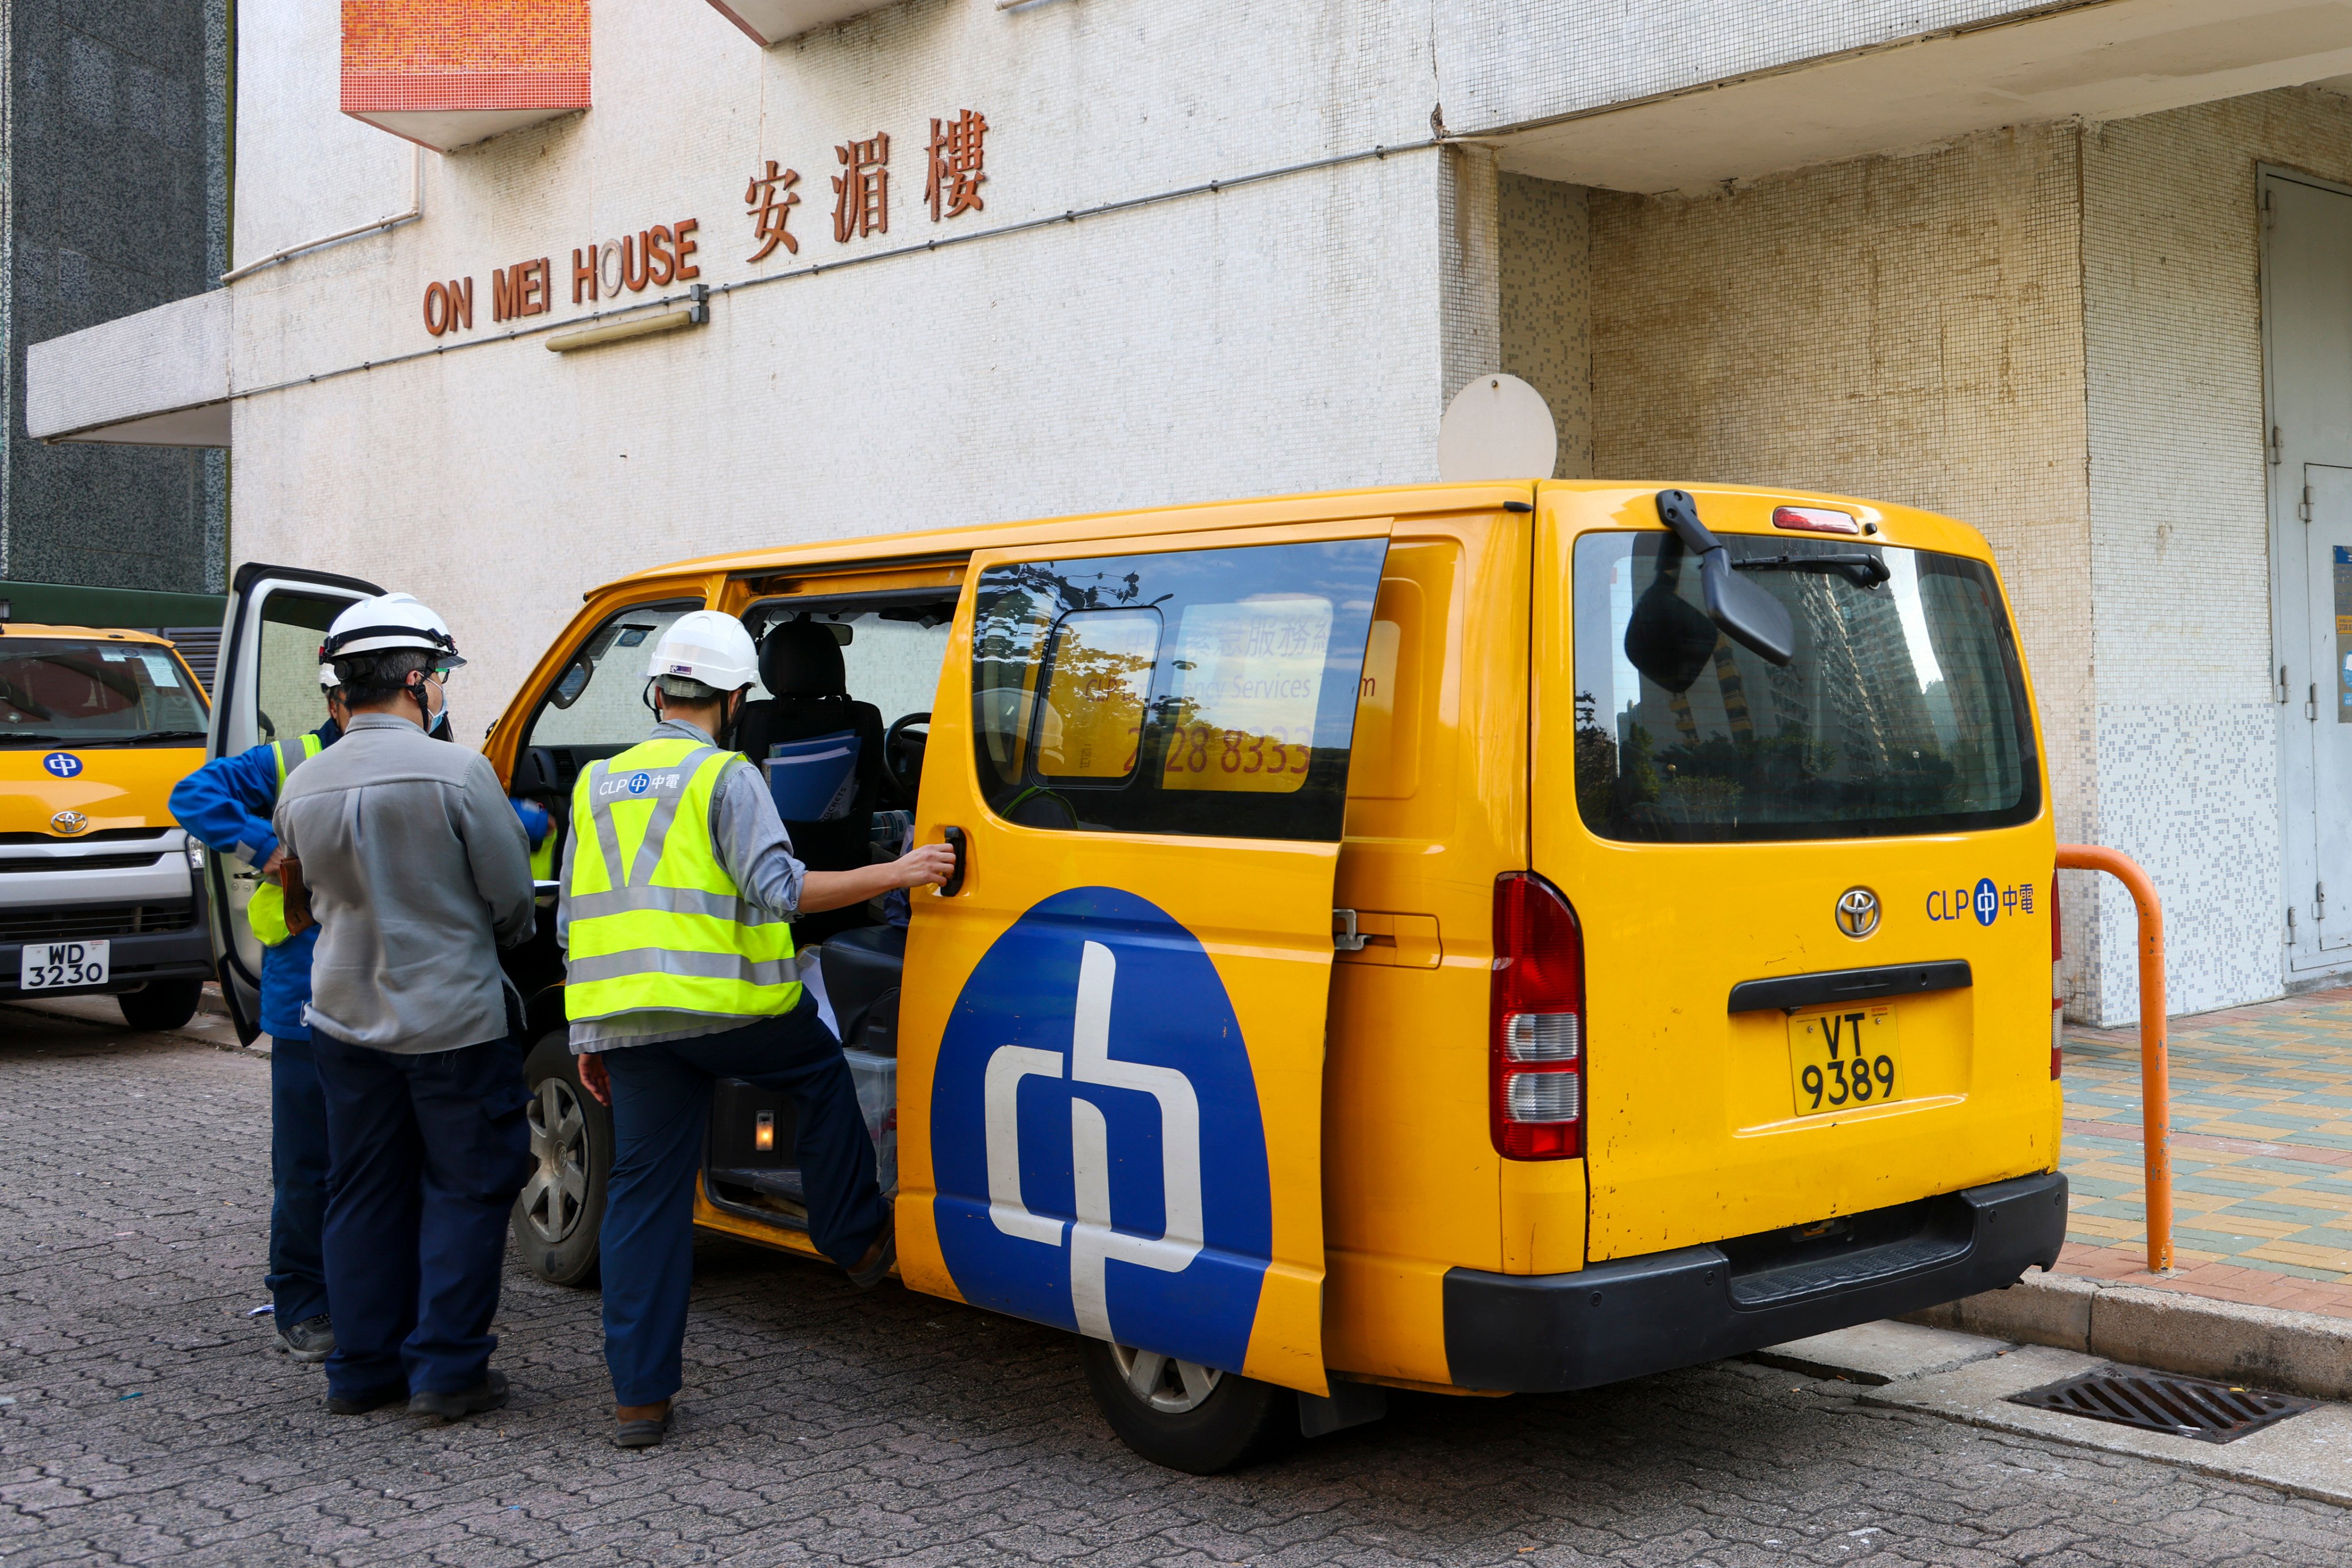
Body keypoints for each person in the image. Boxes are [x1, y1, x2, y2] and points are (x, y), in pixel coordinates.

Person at [559, 610, 953, 1449]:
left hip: (629, 1027)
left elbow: (573, 927)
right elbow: (782, 889)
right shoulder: (726, 777)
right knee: (815, 1063)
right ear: (735, 698)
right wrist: (903, 868)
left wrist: (589, 1034)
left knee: (642, 1195)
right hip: (728, 1013)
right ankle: (852, 1237)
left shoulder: (595, 783)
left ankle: (639, 1400)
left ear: (656, 690)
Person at [274, 593, 538, 1422]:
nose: (446, 688)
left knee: (360, 1190)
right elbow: (510, 901)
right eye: (443, 674)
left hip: (344, 1017)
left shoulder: (303, 782)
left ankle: (360, 1371)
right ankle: (446, 1372)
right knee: (465, 1186)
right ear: (417, 679)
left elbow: (306, 898)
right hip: (453, 1018)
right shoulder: (458, 773)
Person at [169, 666, 351, 1363]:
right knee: (309, 1159)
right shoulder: (291, 759)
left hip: (383, 984)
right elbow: (194, 794)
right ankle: (302, 1300)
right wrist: (269, 849)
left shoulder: (429, 747)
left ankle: (368, 1290)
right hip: (305, 986)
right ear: (337, 698)